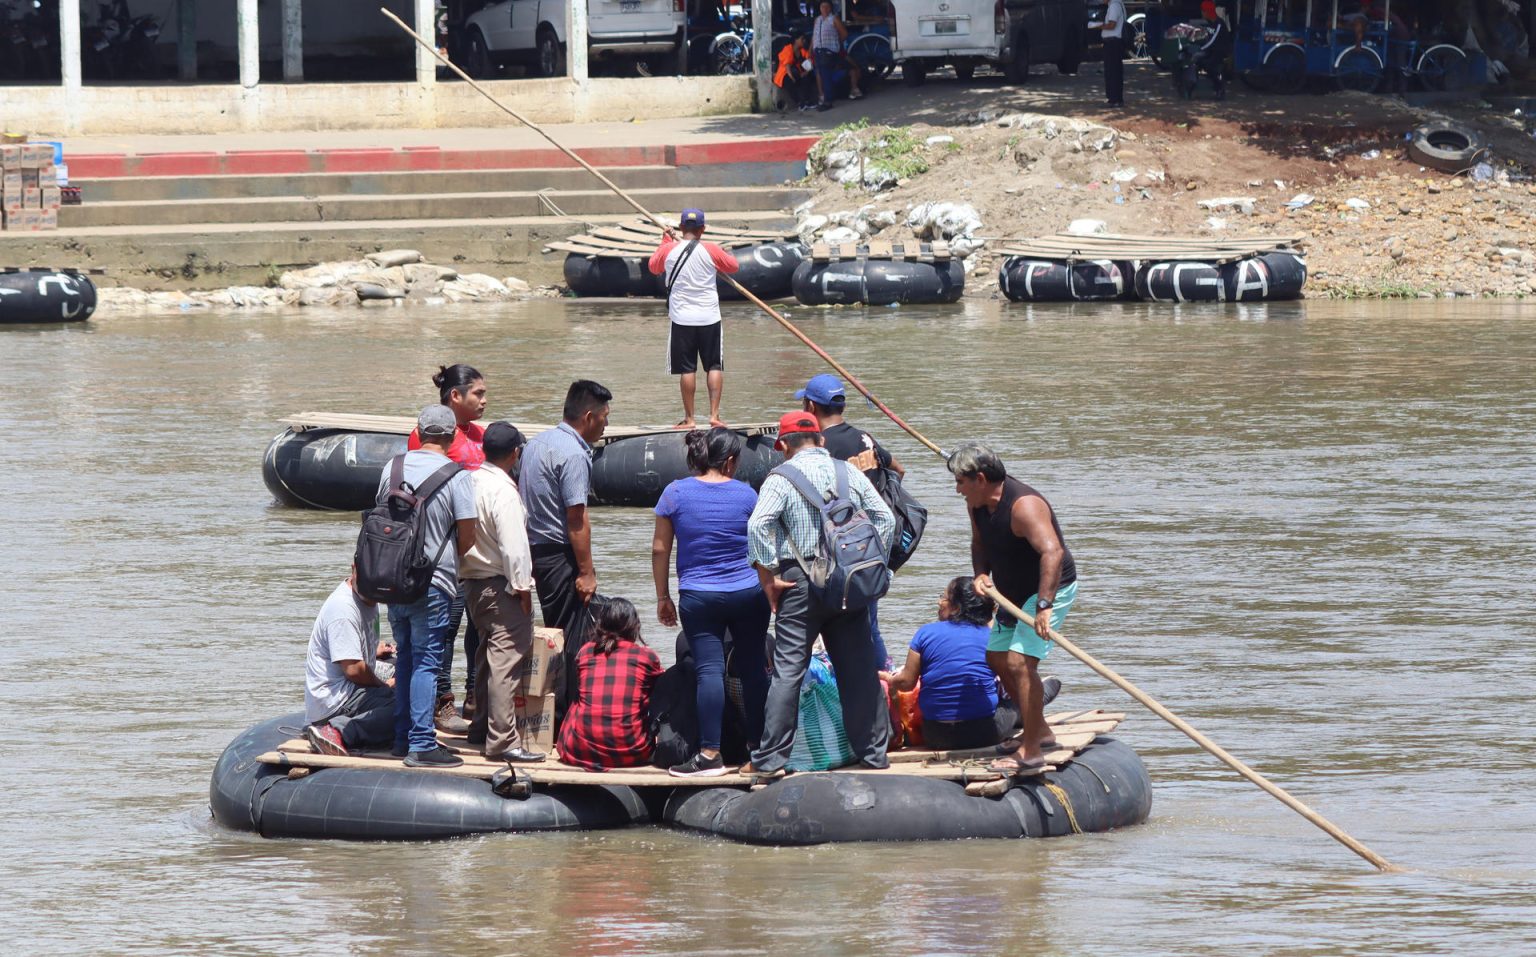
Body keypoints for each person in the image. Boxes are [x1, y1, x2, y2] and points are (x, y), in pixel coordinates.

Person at [744, 411, 896, 778]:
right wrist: (877, 567)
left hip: (798, 583)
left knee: (788, 671)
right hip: (849, 582)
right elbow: (886, 520)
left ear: (782, 446)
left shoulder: (779, 479)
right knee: (858, 670)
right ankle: (874, 754)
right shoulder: (849, 473)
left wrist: (768, 577)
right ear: (822, 441)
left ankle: (772, 760)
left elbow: (757, 525)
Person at [949, 441, 1078, 774]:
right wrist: (981, 574)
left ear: (980, 478)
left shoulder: (1024, 507)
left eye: (961, 482)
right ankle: (1043, 731)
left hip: (1047, 590)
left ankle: (1031, 751)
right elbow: (979, 543)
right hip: (1011, 592)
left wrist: (1045, 607)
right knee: (997, 658)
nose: (957, 489)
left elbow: (1053, 553)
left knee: (1021, 663)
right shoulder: (976, 505)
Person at [652, 427, 771, 777]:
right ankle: (759, 751)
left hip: (699, 596)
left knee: (709, 671)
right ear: (731, 461)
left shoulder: (674, 493)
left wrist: (663, 597)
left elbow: (660, 548)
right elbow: (764, 547)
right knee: (753, 671)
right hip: (749, 593)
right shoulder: (748, 495)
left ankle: (709, 754)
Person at [377, 405, 477, 768]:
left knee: (405, 656)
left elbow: (382, 518)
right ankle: (422, 744)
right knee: (427, 660)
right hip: (434, 582)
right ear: (452, 437)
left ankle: (402, 739)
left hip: (392, 580)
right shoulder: (457, 475)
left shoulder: (393, 467)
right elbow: (468, 536)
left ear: (417, 432)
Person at [796, 373, 906, 668]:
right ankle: (884, 678)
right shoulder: (864, 438)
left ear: (810, 406)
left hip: (838, 550)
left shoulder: (820, 447)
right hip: (872, 545)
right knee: (869, 623)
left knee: (837, 626)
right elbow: (899, 470)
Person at [520, 379, 612, 719]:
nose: (606, 425)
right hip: (559, 554)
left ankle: (554, 712)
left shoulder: (537, 444)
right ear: (588, 417)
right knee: (572, 637)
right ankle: (568, 716)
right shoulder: (574, 454)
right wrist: (587, 572)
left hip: (536, 552)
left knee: (555, 630)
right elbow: (576, 518)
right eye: (604, 417)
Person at [408, 363, 487, 734]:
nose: (484, 400)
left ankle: (475, 696)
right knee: (444, 629)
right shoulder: (429, 441)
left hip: (480, 550)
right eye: (478, 394)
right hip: (445, 549)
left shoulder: (477, 434)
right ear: (455, 396)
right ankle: (443, 702)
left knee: (478, 626)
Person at [460, 421, 545, 764]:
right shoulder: (504, 491)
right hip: (500, 584)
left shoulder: (469, 481)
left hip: (472, 584)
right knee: (505, 663)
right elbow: (514, 548)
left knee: (485, 658)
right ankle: (502, 741)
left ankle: (480, 727)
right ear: (516, 454)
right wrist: (522, 589)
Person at [879, 577, 1007, 752]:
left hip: (935, 735)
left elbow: (907, 683)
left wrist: (890, 680)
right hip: (982, 734)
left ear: (957, 607)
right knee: (1013, 704)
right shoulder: (993, 637)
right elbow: (1009, 680)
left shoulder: (925, 633)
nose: (939, 602)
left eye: (944, 597)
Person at [647, 209, 740, 430]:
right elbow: (733, 266)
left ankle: (689, 419)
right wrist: (725, 253)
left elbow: (653, 267)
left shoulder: (669, 249)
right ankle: (715, 415)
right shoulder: (711, 249)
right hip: (709, 317)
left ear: (681, 228)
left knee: (687, 369)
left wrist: (664, 241)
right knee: (714, 365)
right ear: (702, 229)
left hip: (682, 318)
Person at [556, 598, 664, 771]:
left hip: (579, 750)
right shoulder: (647, 657)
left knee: (581, 698)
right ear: (634, 626)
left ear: (601, 623)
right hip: (633, 752)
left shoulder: (585, 652)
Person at [303, 567, 396, 756]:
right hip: (336, 702)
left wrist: (373, 649)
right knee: (408, 708)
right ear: (354, 570)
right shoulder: (343, 610)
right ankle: (337, 732)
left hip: (351, 685)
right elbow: (354, 670)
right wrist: (385, 686)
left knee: (401, 667)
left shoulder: (368, 595)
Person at [810, 0, 862, 111]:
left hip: (829, 51)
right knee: (821, 74)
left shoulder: (834, 19)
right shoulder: (817, 20)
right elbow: (814, 36)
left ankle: (828, 101)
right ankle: (824, 98)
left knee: (826, 75)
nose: (824, 9)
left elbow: (844, 33)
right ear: (820, 8)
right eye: (822, 7)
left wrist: (836, 43)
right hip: (818, 50)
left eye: (827, 7)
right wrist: (811, 49)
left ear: (830, 8)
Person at [1194, 1, 1231, 99]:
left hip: (1220, 51)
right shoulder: (1210, 23)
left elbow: (1212, 41)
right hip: (1212, 50)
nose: (1202, 13)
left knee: (1209, 65)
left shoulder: (1219, 24)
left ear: (1207, 12)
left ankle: (1220, 88)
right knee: (1198, 61)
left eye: (1203, 11)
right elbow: (1207, 38)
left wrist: (1200, 49)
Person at [774, 34, 818, 110]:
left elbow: (809, 61)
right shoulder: (787, 49)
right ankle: (800, 103)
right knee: (790, 80)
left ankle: (808, 101)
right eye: (801, 39)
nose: (803, 41)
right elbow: (787, 67)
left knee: (807, 78)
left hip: (797, 73)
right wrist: (793, 77)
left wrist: (805, 73)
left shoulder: (802, 50)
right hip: (785, 74)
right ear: (796, 40)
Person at [1101, 0, 1127, 107]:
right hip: (1113, 42)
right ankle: (1114, 98)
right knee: (1113, 70)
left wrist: (1099, 26)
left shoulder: (1114, 5)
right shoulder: (1116, 4)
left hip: (1113, 42)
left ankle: (1114, 99)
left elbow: (1112, 25)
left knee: (1113, 71)